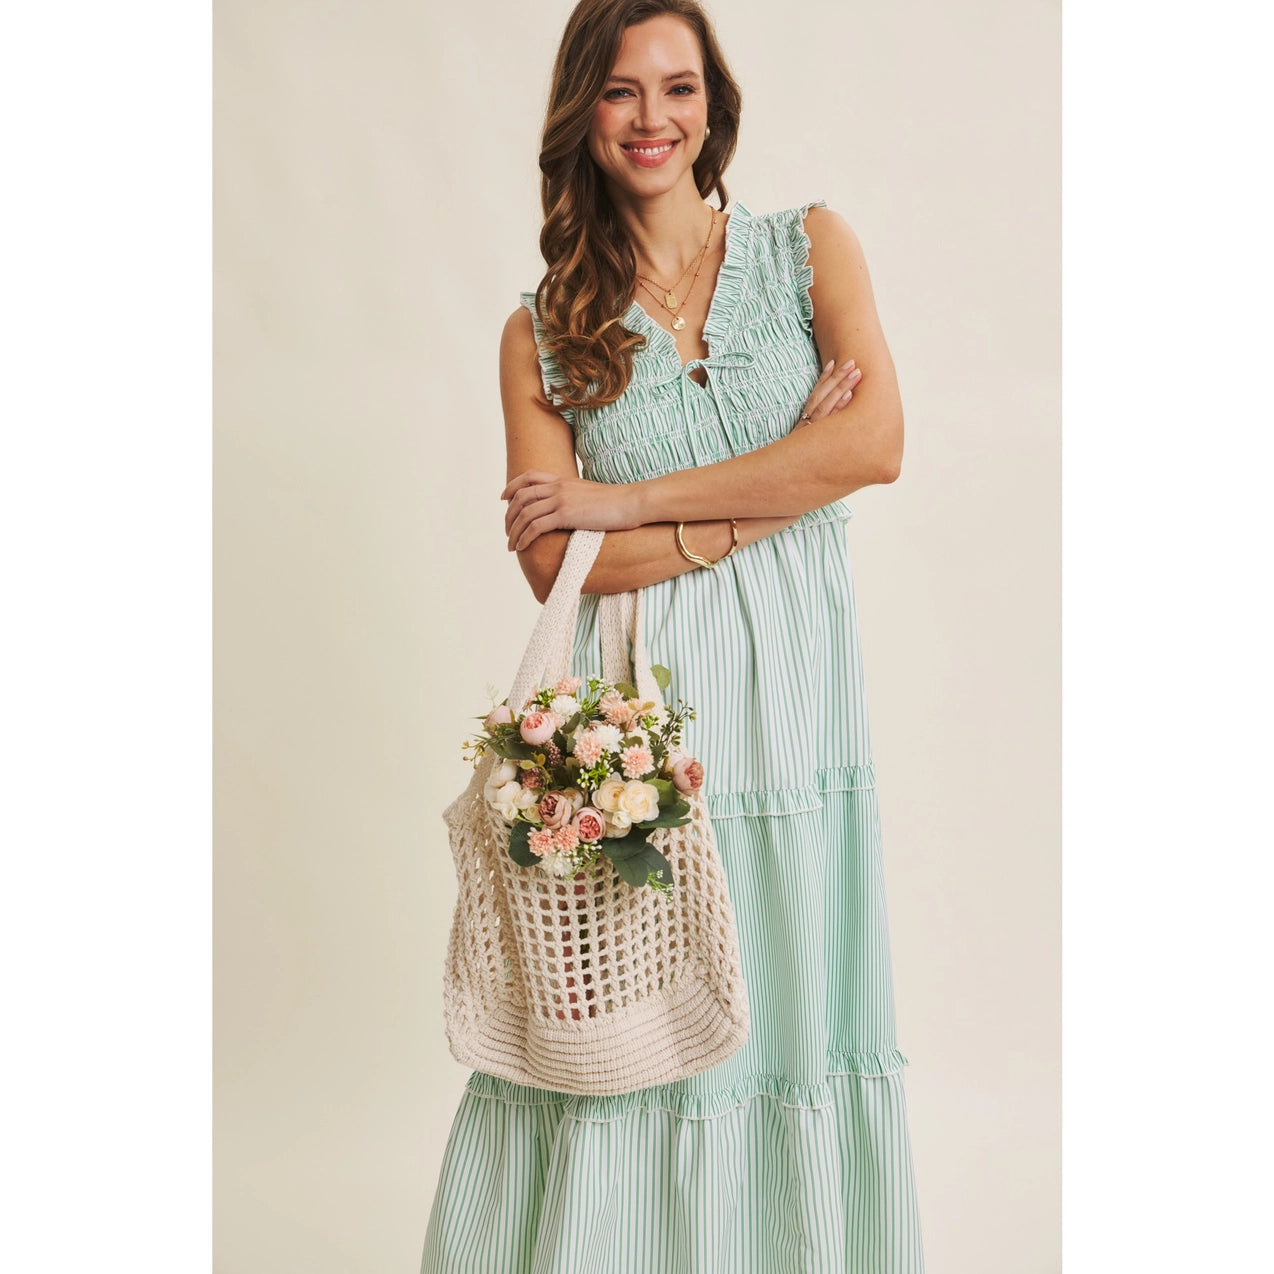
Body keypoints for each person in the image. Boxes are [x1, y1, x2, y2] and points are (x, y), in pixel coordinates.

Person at [420, 1, 925, 1269]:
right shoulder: (540, 330)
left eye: (678, 87)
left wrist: (624, 500)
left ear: (714, 104)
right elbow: (555, 564)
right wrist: (776, 482)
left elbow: (872, 444)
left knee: (793, 1026)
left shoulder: (808, 249)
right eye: (620, 91)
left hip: (801, 719)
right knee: (634, 1022)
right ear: (581, 116)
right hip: (651, 731)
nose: (653, 118)